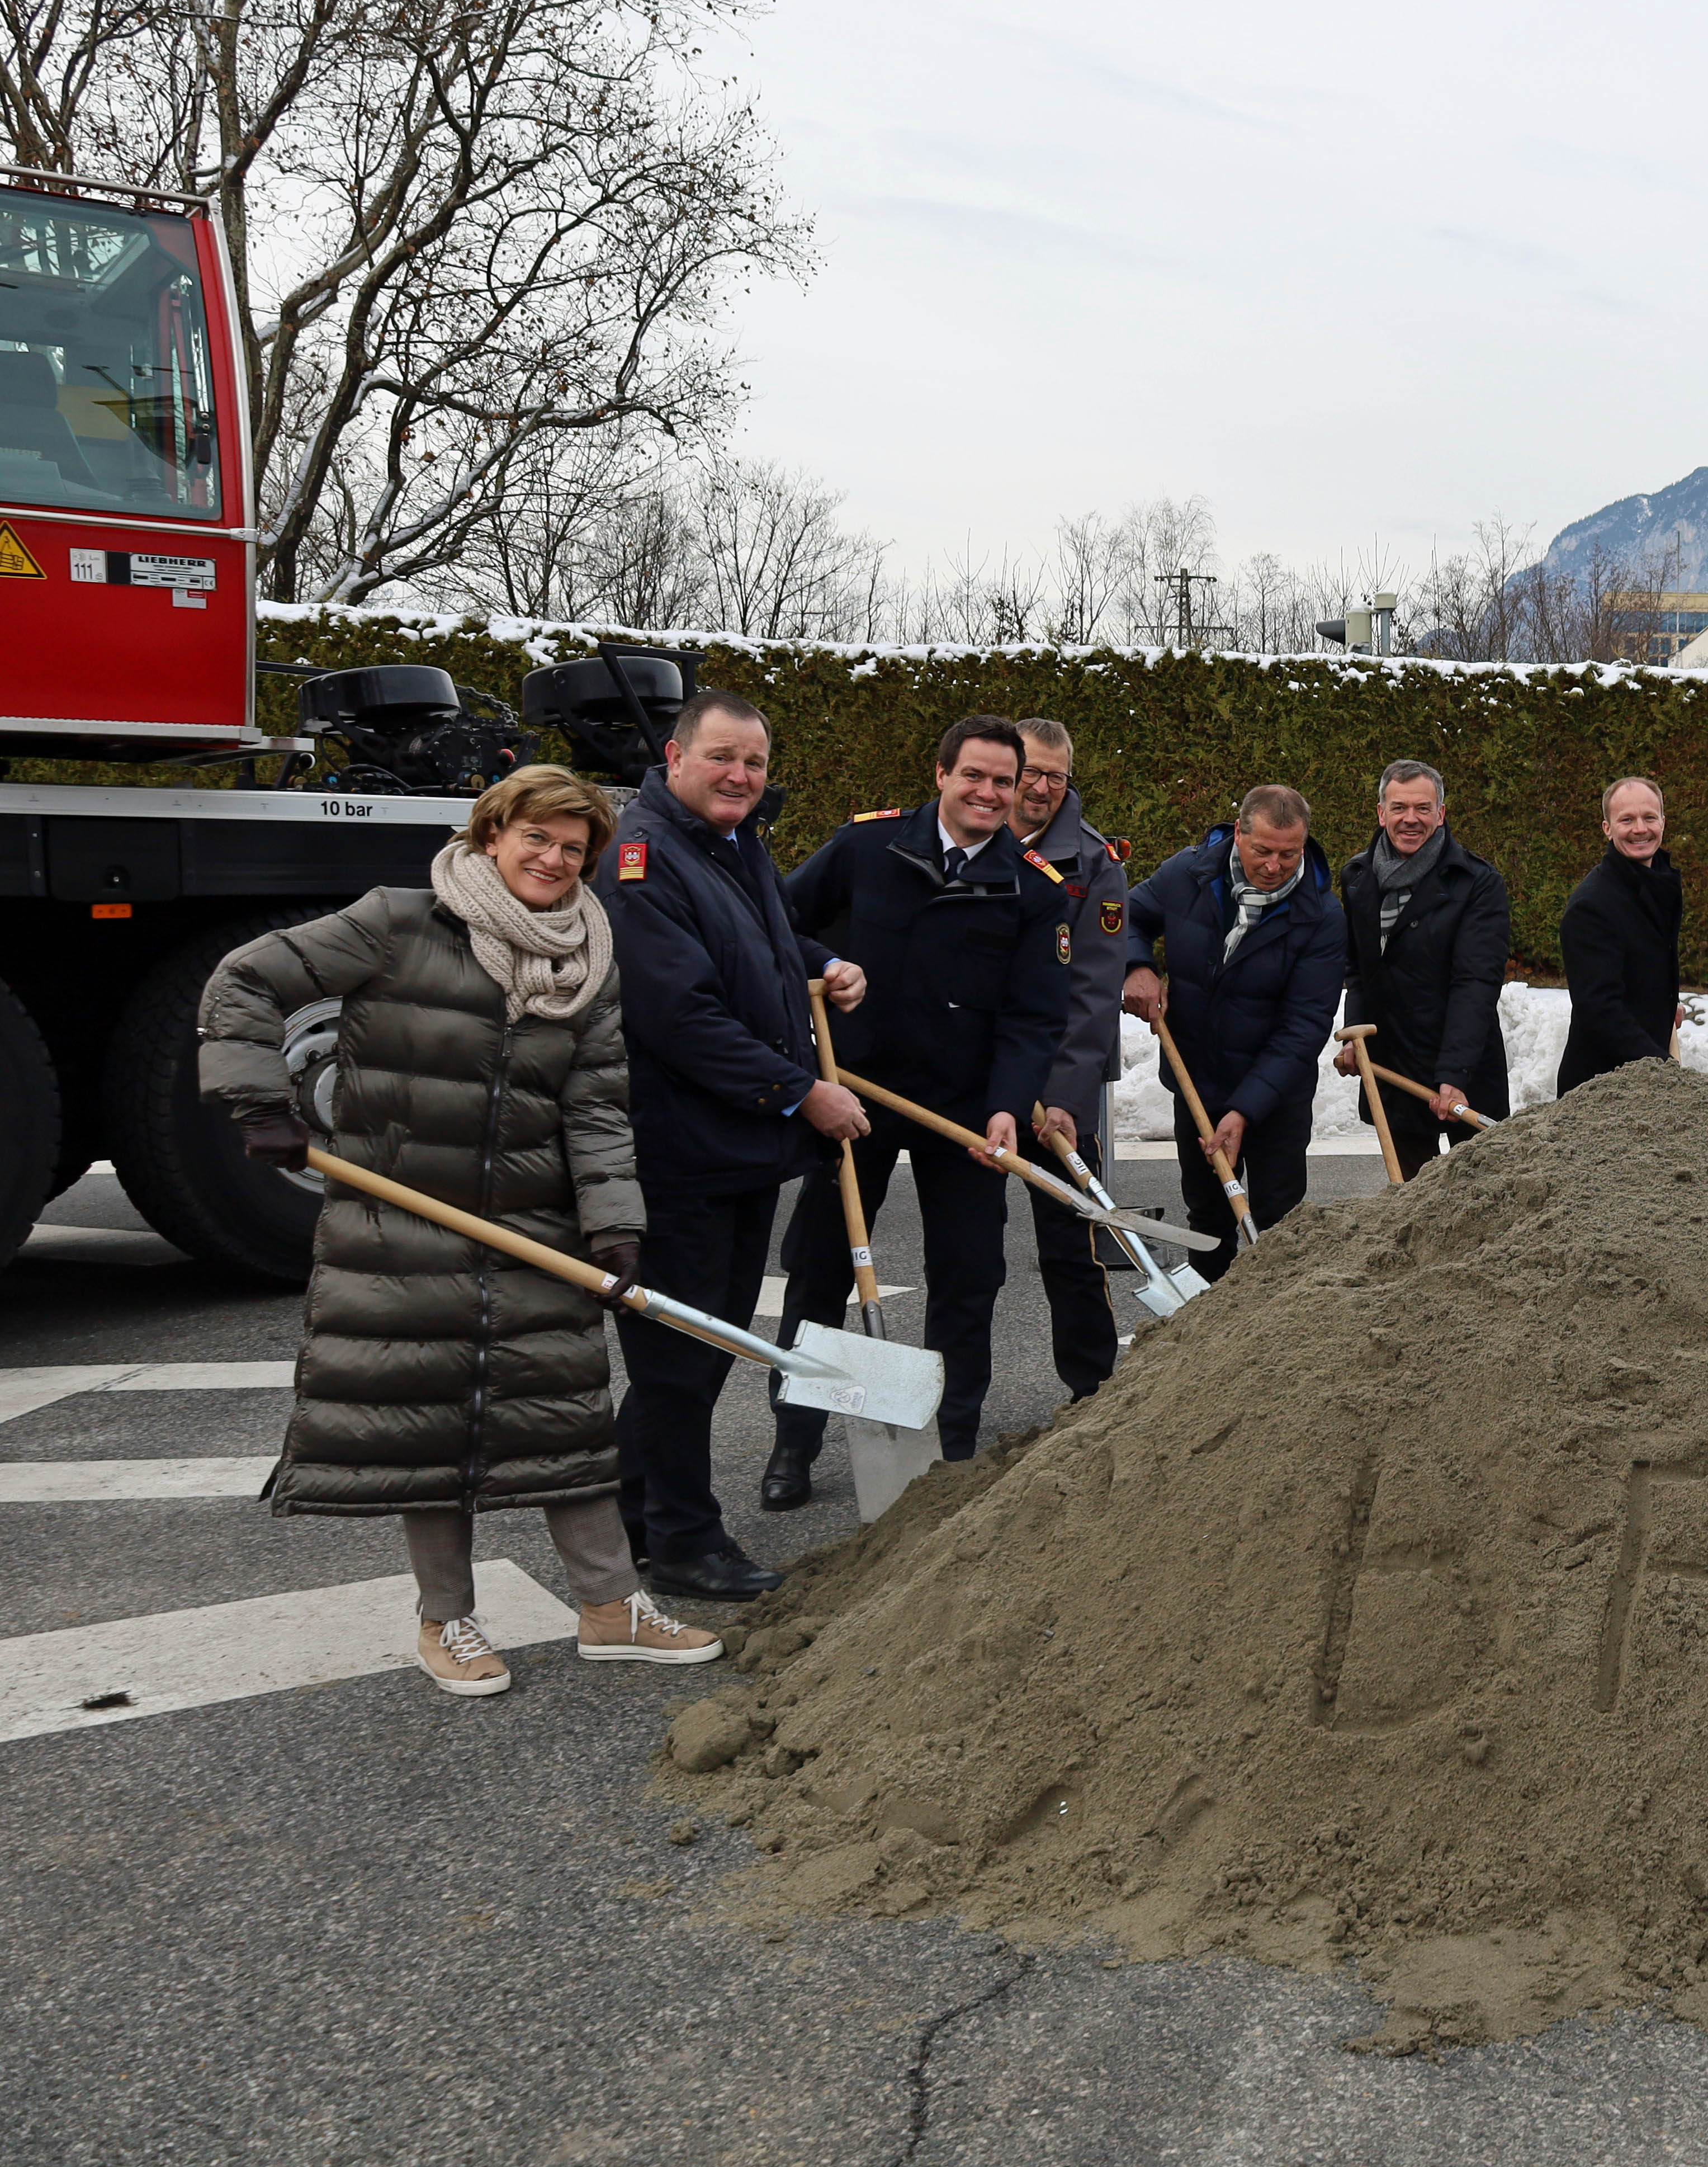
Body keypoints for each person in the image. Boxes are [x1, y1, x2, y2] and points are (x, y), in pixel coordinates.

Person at [196, 767, 718, 1694]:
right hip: (402, 1224)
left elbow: (596, 1107)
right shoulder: (399, 921)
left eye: (574, 848)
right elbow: (246, 979)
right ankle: (447, 1622)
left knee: (567, 1415)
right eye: (538, 839)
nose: (554, 860)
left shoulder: (590, 961)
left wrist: (613, 1224)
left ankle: (610, 1608)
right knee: (426, 1423)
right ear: (492, 834)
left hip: (534, 1225)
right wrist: (255, 1098)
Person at [597, 690, 868, 1598]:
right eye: (722, 758)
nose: (741, 777)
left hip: (739, 1149)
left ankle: (637, 1515)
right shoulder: (641, 859)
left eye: (753, 763)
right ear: (674, 758)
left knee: (703, 1351)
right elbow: (678, 1013)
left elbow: (763, 937)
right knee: (679, 1357)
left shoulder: (734, 842)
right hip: (681, 1154)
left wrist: (821, 960)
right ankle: (680, 1541)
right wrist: (801, 1095)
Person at [764, 715, 1070, 1486]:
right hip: (855, 1098)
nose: (991, 793)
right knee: (820, 1266)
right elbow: (773, 921)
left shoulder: (1032, 888)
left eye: (1005, 781)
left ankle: (952, 1437)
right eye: (975, 776)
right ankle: (794, 1442)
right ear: (941, 775)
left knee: (970, 1273)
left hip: (964, 1112)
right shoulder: (867, 849)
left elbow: (1036, 1015)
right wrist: (825, 962)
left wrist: (1010, 1104)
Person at [1119, 784, 1348, 1274]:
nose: (1274, 865)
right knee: (1207, 1219)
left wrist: (1246, 1109)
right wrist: (1137, 965)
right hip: (1196, 1082)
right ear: (1239, 833)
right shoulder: (1188, 874)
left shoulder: (1322, 916)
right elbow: (1125, 917)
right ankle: (1207, 1332)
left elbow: (1304, 1026)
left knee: (1277, 1225)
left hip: (1275, 1098)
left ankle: (1276, 1332)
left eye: (1289, 854)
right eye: (1263, 850)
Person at [1010, 717, 1131, 1400]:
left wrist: (1065, 1096)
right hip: (973, 1078)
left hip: (1055, 1084)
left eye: (1057, 774)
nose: (1042, 787)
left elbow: (1093, 993)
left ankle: (1092, 1388)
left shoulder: (1094, 863)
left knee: (1072, 1242)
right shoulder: (966, 840)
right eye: (1030, 770)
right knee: (966, 1249)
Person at [1335, 759, 1512, 1175]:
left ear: (1441, 814)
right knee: (1413, 1206)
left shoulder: (1477, 883)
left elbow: (1476, 983)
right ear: (1381, 813)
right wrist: (1355, 1036)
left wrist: (1454, 1073)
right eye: (1399, 808)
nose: (1410, 819)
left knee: (1482, 1197)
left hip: (1465, 1069)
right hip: (1394, 1071)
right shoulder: (1358, 879)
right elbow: (1359, 971)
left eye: (1422, 808)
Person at [1554, 774, 1684, 1094]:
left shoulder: (1661, 882)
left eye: (1649, 818)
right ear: (1607, 828)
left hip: (1647, 1073)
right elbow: (1599, 1009)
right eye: (1627, 820)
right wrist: (1662, 1068)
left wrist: (1664, 1000)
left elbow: (1644, 957)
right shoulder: (1592, 906)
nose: (1640, 829)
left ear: (1663, 823)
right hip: (1603, 1087)